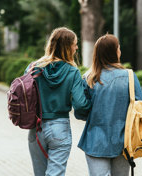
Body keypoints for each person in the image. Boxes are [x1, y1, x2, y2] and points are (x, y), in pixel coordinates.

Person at [75, 34, 142, 176]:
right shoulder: (130, 76)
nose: (120, 50)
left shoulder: (89, 78)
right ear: (114, 52)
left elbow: (80, 111)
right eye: (118, 47)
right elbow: (141, 106)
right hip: (122, 142)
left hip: (95, 141)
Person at [27, 27, 91, 176]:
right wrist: (89, 112)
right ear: (67, 47)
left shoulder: (33, 68)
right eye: (75, 44)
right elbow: (81, 104)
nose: (76, 47)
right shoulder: (72, 71)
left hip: (36, 128)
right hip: (59, 128)